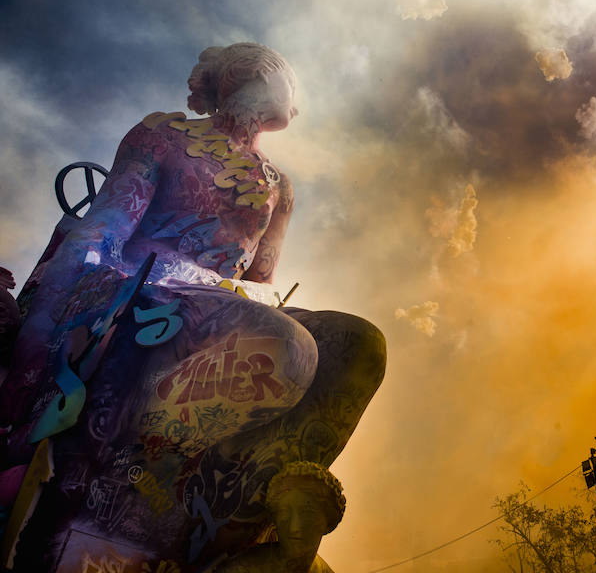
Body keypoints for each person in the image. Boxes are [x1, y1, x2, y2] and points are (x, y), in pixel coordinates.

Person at [0, 43, 385, 573]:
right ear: (257, 74)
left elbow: (263, 280)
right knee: (284, 346)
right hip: (144, 293)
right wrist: (54, 320)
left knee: (356, 344)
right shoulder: (163, 136)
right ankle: (142, 481)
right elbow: (105, 227)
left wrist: (247, 298)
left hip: (228, 308)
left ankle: (251, 519)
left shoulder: (281, 187)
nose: (297, 101)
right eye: (291, 83)